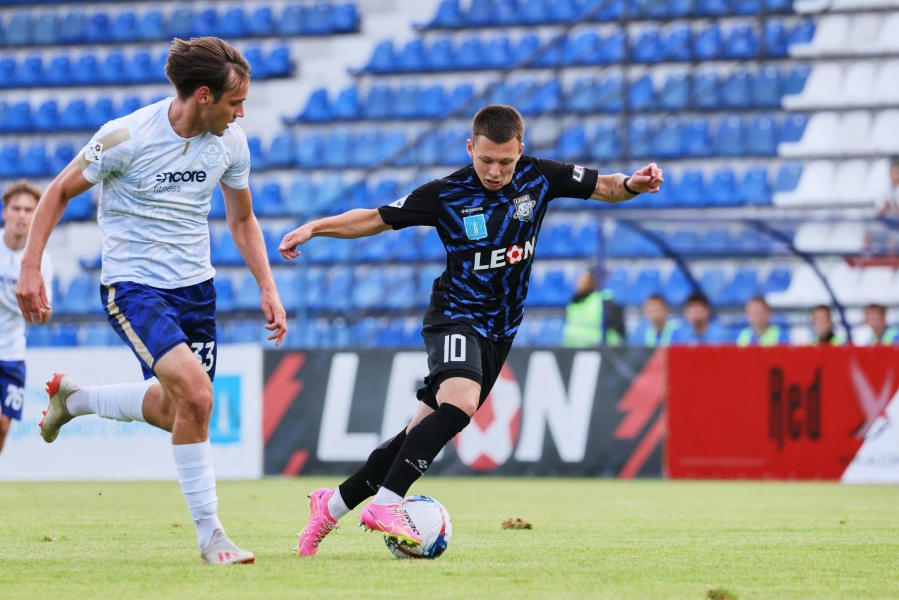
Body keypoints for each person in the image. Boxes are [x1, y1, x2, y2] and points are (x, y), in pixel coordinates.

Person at [281, 104, 663, 556]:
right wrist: (315, 228)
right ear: (470, 148)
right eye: (485, 160)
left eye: (505, 161)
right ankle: (386, 504)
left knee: (414, 437)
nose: (495, 171)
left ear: (520, 150)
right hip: (455, 315)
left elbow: (607, 187)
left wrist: (634, 184)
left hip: (500, 331)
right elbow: (375, 218)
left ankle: (330, 506)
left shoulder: (541, 176)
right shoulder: (447, 194)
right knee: (460, 402)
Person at [15, 37, 287, 565]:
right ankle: (212, 538)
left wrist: (267, 285)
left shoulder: (230, 144)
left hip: (196, 289)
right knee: (198, 398)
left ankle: (75, 400)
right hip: (134, 287)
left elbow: (242, 218)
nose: (241, 113)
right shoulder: (125, 137)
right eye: (235, 103)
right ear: (204, 96)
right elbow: (58, 191)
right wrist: (31, 267)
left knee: (177, 409)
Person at [0, 181, 53, 458]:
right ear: (5, 212)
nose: (22, 215)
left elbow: (45, 314)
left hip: (11, 354)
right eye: (16, 208)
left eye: (28, 210)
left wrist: (35, 309)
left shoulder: (41, 261)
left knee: (3, 425)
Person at [561, 269, 624, 347]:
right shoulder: (573, 301)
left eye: (585, 279)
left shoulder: (604, 299)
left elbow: (618, 326)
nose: (580, 282)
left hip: (596, 349)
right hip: (573, 348)